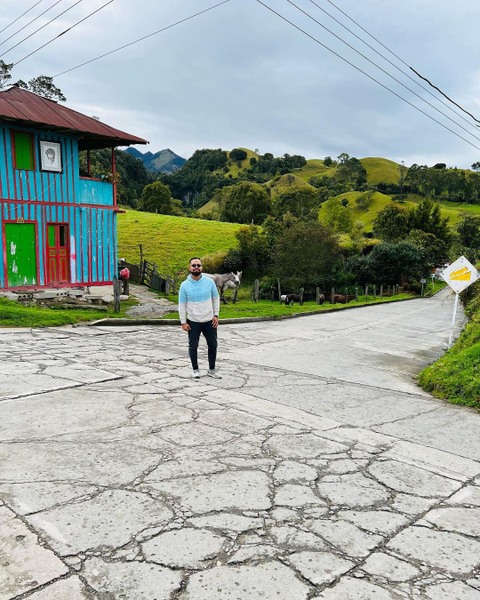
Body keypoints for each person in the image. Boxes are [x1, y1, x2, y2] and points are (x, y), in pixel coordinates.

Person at [178, 257, 221, 379]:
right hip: (193, 321)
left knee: (213, 345)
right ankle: (195, 369)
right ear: (189, 267)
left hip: (209, 320)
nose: (196, 267)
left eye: (198, 265)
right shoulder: (184, 285)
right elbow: (182, 304)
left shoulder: (209, 282)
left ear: (201, 267)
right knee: (193, 346)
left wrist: (216, 315)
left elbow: (215, 298)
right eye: (194, 265)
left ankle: (211, 370)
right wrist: (183, 322)